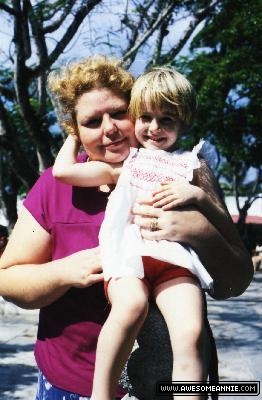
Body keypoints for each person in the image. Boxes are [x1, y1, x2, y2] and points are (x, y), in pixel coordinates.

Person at [0, 56, 253, 400]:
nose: (110, 128)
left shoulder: (190, 173)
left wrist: (198, 229)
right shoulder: (54, 187)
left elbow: (236, 281)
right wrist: (64, 272)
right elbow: (7, 279)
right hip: (72, 384)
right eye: (90, 121)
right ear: (75, 132)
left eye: (119, 113)